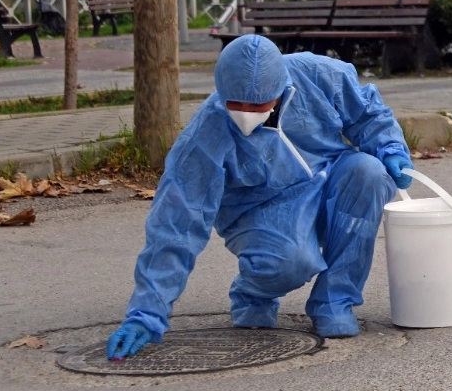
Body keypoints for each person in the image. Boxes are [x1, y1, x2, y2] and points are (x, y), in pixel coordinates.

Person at [105, 36, 415, 360]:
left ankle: (335, 300)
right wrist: (146, 313)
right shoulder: (205, 134)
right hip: (260, 210)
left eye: (258, 106)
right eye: (236, 105)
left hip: (330, 181)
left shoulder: (319, 75)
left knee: (370, 172)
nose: (246, 114)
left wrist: (391, 148)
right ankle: (253, 292)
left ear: (280, 89)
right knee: (290, 263)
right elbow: (177, 223)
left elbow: (368, 115)